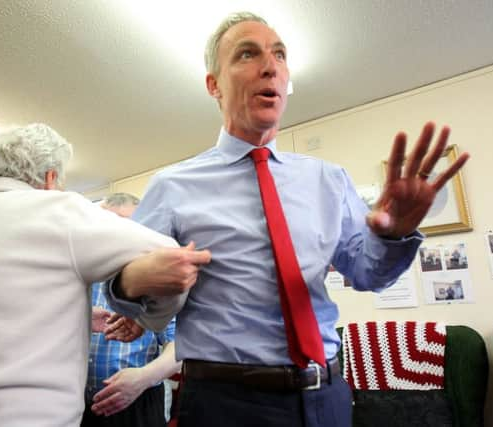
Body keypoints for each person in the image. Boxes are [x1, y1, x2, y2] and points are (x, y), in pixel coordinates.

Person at [106, 12, 469, 427]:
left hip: (326, 396)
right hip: (225, 404)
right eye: (248, 54)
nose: (270, 66)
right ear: (214, 85)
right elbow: (123, 289)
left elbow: (369, 274)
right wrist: (131, 283)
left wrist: (397, 233)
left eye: (279, 55)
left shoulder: (328, 179)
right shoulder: (172, 186)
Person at [0, 124, 211, 427]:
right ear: (50, 179)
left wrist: (76, 316)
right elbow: (177, 260)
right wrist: (144, 316)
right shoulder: (59, 210)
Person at [83, 193, 181, 427]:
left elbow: (180, 346)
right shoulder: (82, 274)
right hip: (78, 406)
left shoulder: (156, 282)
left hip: (137, 403)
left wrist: (144, 378)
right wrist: (82, 319)